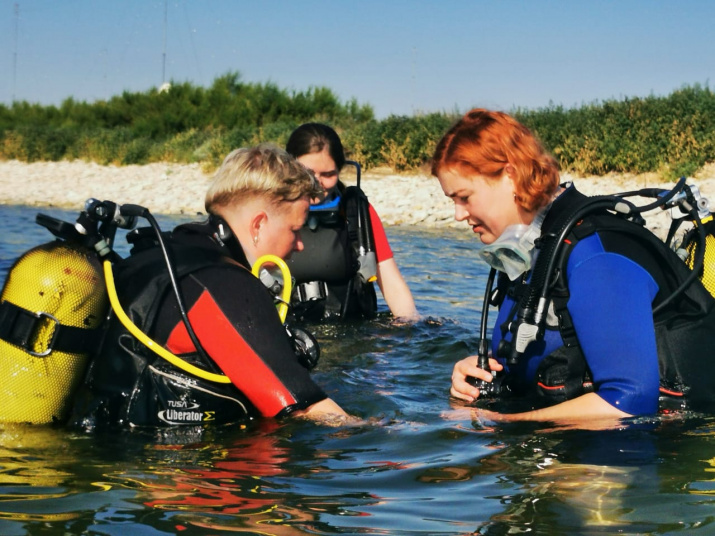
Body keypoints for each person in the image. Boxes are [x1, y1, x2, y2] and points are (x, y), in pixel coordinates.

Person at [433, 108, 715, 424]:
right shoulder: (531, 248)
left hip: (656, 450)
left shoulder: (595, 256)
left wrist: (499, 423)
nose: (458, 214)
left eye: (464, 197)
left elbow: (629, 402)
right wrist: (476, 374)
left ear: (510, 176)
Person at [70, 144, 351, 430]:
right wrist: (382, 438)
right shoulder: (227, 286)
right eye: (295, 230)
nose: (300, 245)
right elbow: (304, 408)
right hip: (151, 464)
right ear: (258, 225)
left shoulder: (162, 254)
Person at [285, 123, 419, 322]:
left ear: (340, 170)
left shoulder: (357, 212)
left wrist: (412, 324)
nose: (316, 183)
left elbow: (391, 281)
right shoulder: (270, 211)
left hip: (352, 334)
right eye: (306, 173)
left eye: (328, 174)